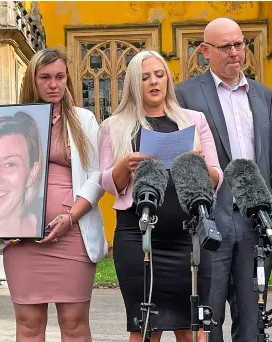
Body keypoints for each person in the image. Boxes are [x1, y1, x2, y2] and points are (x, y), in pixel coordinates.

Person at [174, 17, 272, 342]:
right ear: (205, 51)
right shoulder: (185, 95)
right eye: (225, 47)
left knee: (252, 321)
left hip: (256, 220)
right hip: (209, 220)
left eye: (240, 44)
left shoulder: (265, 97)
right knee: (207, 319)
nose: (235, 52)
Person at [99, 49, 223, 342]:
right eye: (144, 77)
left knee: (191, 327)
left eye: (159, 75)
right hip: (137, 237)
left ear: (167, 78)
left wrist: (198, 165)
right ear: (133, 84)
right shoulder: (113, 126)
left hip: (188, 237)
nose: (154, 82)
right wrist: (124, 167)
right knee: (144, 327)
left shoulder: (194, 120)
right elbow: (106, 182)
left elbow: (218, 175)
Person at [2, 48, 107, 341]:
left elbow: (99, 175)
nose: (53, 84)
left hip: (73, 233)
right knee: (28, 323)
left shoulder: (83, 120)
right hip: (21, 236)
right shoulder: (12, 120)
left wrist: (71, 217)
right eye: (45, 77)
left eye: (60, 77)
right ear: (32, 81)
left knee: (74, 323)